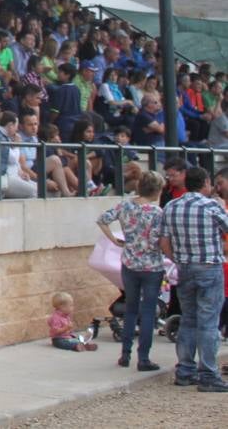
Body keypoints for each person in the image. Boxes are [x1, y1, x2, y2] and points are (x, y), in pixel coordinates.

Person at [159, 165, 228, 391]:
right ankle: (208, 374)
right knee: (208, 322)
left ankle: (185, 370)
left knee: (188, 319)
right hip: (209, 266)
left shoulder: (171, 206)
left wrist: (177, 258)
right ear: (206, 183)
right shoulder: (211, 206)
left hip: (185, 268)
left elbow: (164, 241)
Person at [97, 170, 166, 371]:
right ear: (156, 190)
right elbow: (159, 240)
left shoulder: (125, 205)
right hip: (152, 266)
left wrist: (114, 240)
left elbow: (103, 219)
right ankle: (143, 358)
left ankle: (125, 354)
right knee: (148, 311)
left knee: (131, 309)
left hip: (129, 262)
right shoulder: (156, 212)